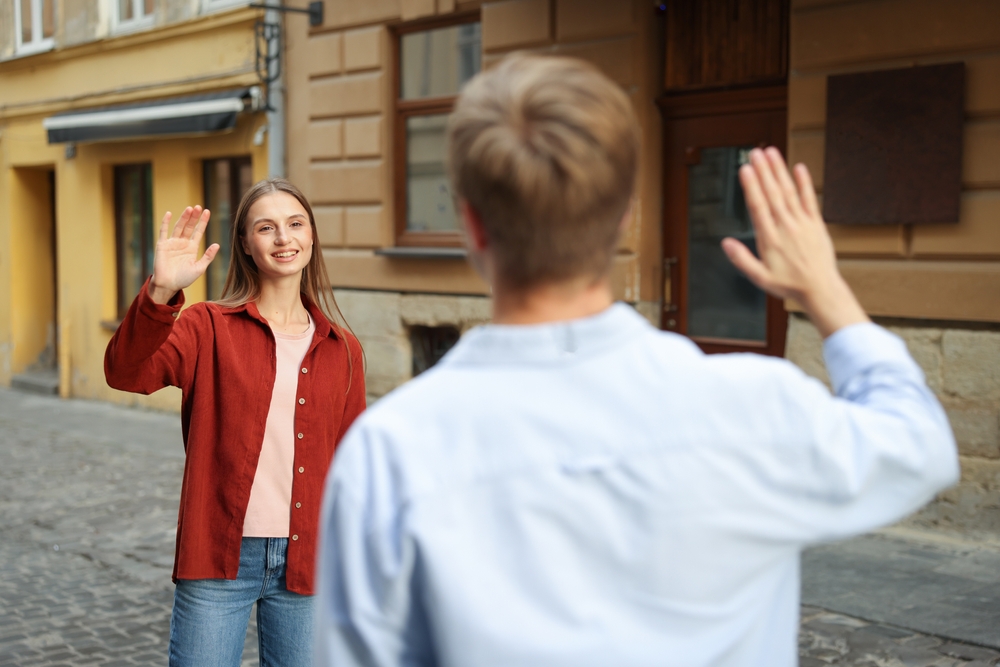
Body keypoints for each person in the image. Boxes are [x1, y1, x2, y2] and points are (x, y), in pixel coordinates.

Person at [313, 54, 958, 667]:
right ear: (626, 216)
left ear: (471, 225)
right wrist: (827, 290)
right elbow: (919, 444)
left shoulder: (390, 451)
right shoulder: (757, 407)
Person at [105, 179, 365, 667]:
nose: (283, 238)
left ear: (311, 237)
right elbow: (126, 373)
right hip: (219, 552)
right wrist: (162, 291)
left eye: (295, 224)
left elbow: (353, 464)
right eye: (266, 228)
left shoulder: (343, 349)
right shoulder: (207, 326)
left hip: (309, 558)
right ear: (246, 244)